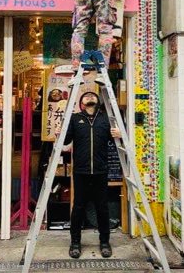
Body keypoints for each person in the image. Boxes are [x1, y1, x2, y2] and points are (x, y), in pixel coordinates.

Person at [63, 91, 121, 259]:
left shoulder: (105, 119)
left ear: (98, 101)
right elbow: (66, 141)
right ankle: (75, 242)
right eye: (86, 96)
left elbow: (116, 140)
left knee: (102, 207)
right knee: (78, 207)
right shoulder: (75, 119)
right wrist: (60, 133)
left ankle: (104, 242)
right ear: (82, 102)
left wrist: (119, 135)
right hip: (81, 171)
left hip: (101, 171)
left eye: (92, 96)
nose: (89, 97)